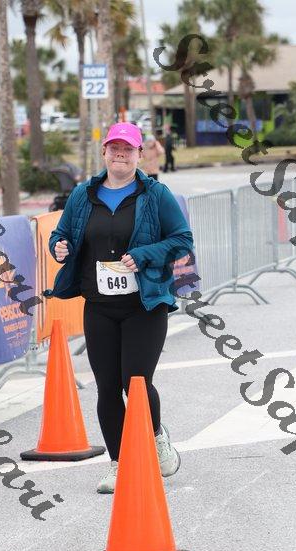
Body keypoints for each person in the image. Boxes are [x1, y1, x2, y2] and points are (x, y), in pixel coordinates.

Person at [45, 122, 193, 494]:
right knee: (107, 387)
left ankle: (156, 437)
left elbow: (182, 240)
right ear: (105, 153)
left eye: (128, 149)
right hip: (98, 305)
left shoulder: (155, 194)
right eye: (114, 148)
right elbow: (62, 234)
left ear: (140, 154)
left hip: (144, 305)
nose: (120, 154)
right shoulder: (83, 195)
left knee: (136, 383)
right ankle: (119, 464)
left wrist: (144, 255)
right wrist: (58, 246)